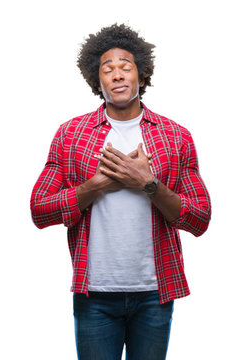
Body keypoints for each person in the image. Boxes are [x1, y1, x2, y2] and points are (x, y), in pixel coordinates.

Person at [30, 24, 211, 360]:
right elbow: (39, 210)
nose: (117, 75)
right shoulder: (70, 134)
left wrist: (149, 184)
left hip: (155, 293)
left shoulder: (176, 136)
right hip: (94, 294)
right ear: (97, 82)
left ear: (141, 77)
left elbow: (200, 218)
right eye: (107, 69)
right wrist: (95, 186)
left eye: (125, 67)